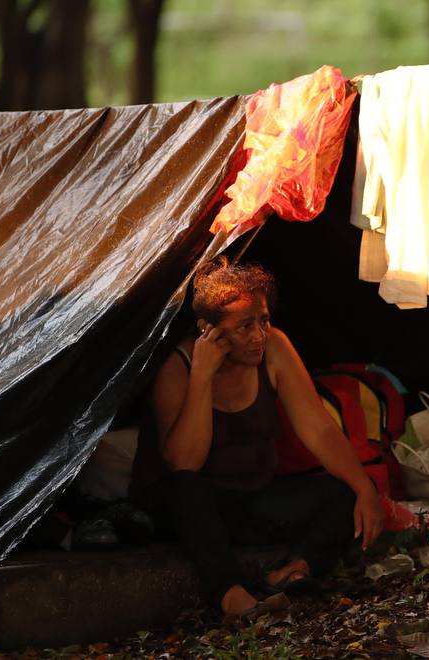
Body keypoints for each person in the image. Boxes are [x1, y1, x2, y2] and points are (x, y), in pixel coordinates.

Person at [131, 258, 384, 616]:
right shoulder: (179, 367)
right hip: (187, 510)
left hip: (248, 501)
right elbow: (184, 463)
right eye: (244, 326)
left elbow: (319, 427)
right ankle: (231, 595)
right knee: (187, 488)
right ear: (209, 331)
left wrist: (364, 488)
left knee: (342, 492)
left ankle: (293, 571)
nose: (258, 336)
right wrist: (203, 375)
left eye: (263, 320)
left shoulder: (274, 347)